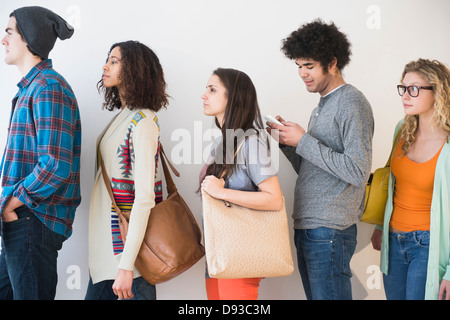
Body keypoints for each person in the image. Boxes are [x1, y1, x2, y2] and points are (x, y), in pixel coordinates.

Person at [266, 19, 374, 300]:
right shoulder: (322, 105)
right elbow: (315, 170)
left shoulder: (352, 102)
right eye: (299, 66)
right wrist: (289, 144)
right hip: (310, 228)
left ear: (333, 62)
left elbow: (357, 170)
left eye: (309, 66)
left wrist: (303, 140)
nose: (302, 73)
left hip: (330, 230)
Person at [0, 6, 81, 300]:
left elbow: (55, 165)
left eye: (9, 32)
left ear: (28, 38)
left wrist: (11, 204)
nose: (3, 40)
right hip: (23, 219)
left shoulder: (48, 88)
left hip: (32, 220)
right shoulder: (30, 88)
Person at [84, 41, 169, 300]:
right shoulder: (124, 116)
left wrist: (126, 265)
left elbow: (144, 199)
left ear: (134, 69)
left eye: (114, 61)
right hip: (108, 260)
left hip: (125, 262)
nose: (105, 66)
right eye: (107, 59)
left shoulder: (142, 121)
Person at [200, 68, 283, 300]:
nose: (203, 95)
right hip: (218, 254)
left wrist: (222, 192)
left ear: (233, 97)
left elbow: (274, 199)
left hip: (239, 255)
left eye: (212, 89)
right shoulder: (222, 142)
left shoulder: (251, 143)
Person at [371, 59, 450, 300]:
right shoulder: (401, 130)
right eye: (403, 88)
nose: (405, 95)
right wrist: (379, 226)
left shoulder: (447, 145)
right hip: (393, 241)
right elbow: (392, 184)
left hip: (427, 245)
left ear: (438, 92)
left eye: (414, 89)